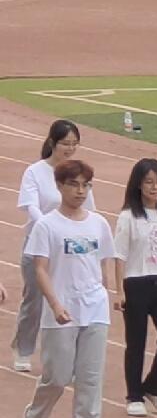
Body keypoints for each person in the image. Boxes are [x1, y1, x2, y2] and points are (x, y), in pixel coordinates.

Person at [18, 160, 114, 418]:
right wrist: (56, 304)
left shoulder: (99, 224)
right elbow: (40, 269)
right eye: (74, 184)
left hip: (94, 310)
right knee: (57, 377)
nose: (80, 191)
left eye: (86, 185)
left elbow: (102, 265)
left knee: (90, 379)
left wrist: (104, 296)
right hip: (61, 312)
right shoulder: (47, 226)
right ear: (60, 186)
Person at [12, 119, 97, 373]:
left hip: (70, 247)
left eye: (74, 144)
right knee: (35, 300)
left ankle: (66, 355)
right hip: (39, 244)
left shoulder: (78, 174)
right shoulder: (35, 172)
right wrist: (51, 227)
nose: (70, 149)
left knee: (71, 297)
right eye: (65, 143)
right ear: (52, 143)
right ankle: (24, 349)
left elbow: (89, 209)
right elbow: (31, 205)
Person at [113, 158, 157, 418]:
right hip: (136, 284)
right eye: (149, 182)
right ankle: (134, 395)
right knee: (136, 342)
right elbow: (119, 256)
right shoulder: (128, 217)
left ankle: (154, 386)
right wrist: (119, 290)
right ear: (138, 185)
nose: (155, 187)